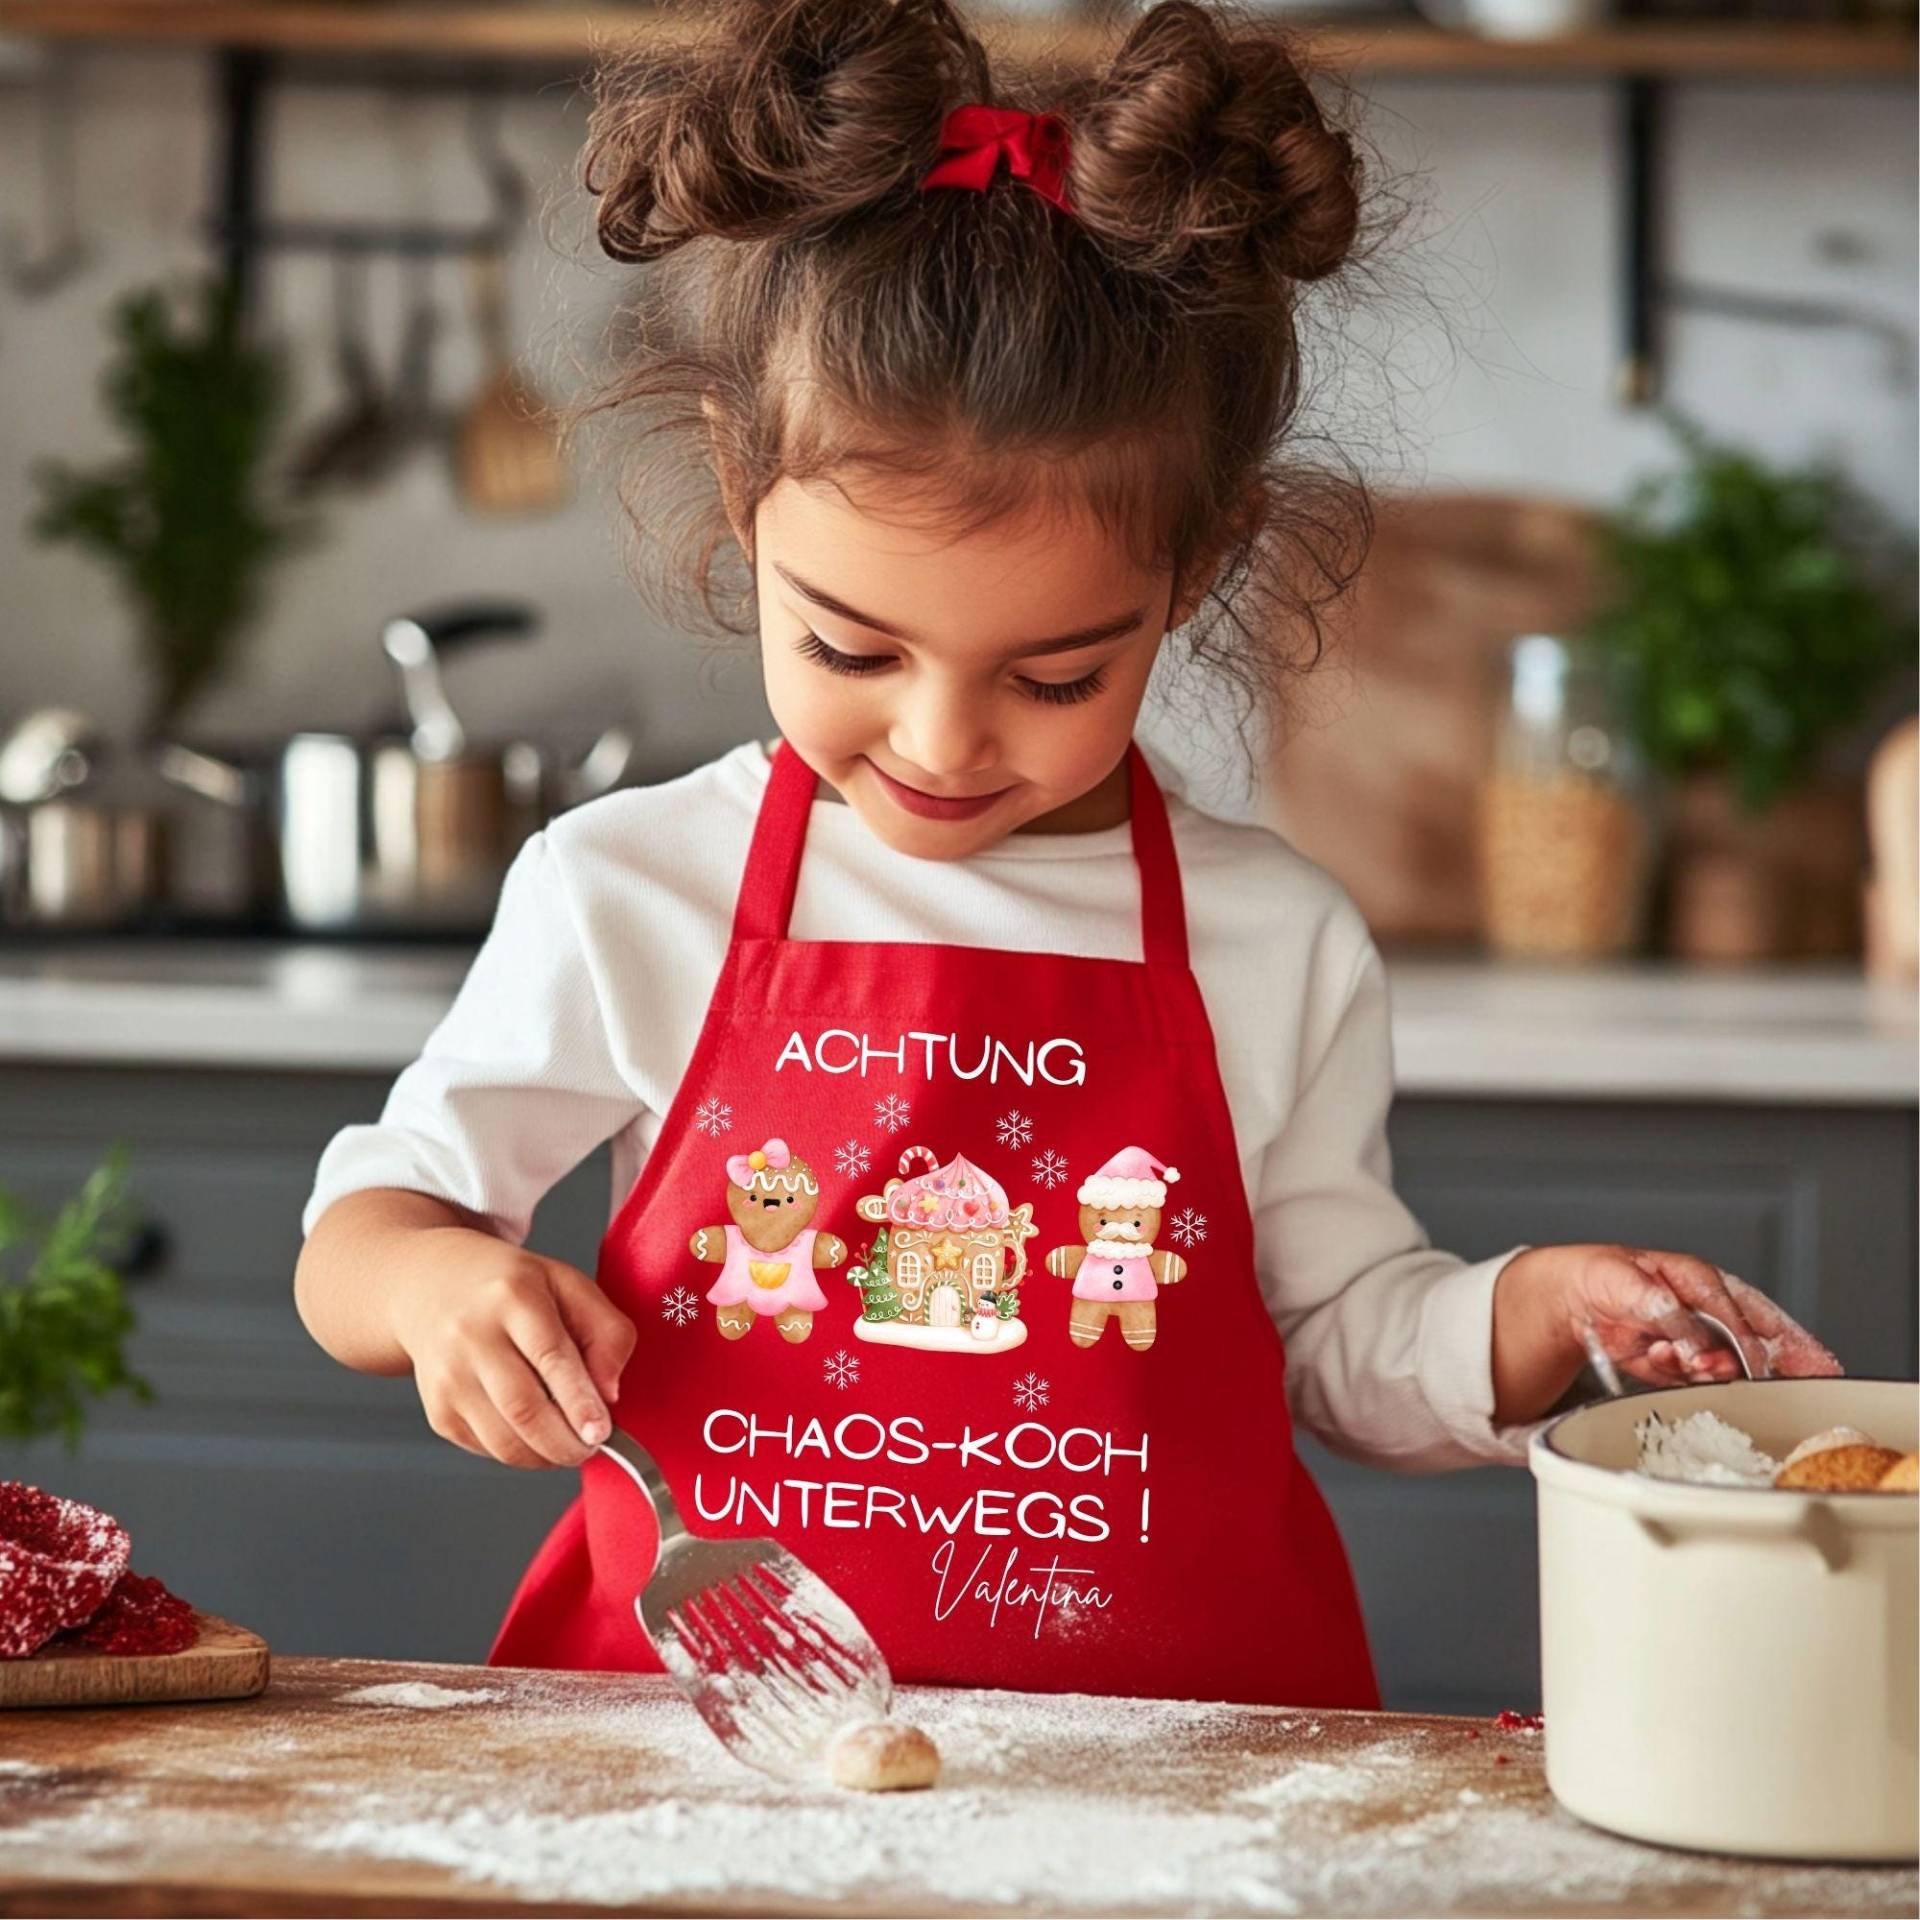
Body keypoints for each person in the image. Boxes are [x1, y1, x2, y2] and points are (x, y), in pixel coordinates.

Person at [294, 0, 1839, 1706]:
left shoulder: (1277, 937)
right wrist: (437, 1284)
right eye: (852, 649)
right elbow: (371, 1224)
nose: (946, 743)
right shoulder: (631, 890)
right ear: (745, 493)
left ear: (1200, 561)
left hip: (1184, 1779)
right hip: (705, 1764)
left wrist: (1531, 1312)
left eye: (1054, 676)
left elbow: (1336, 1341)